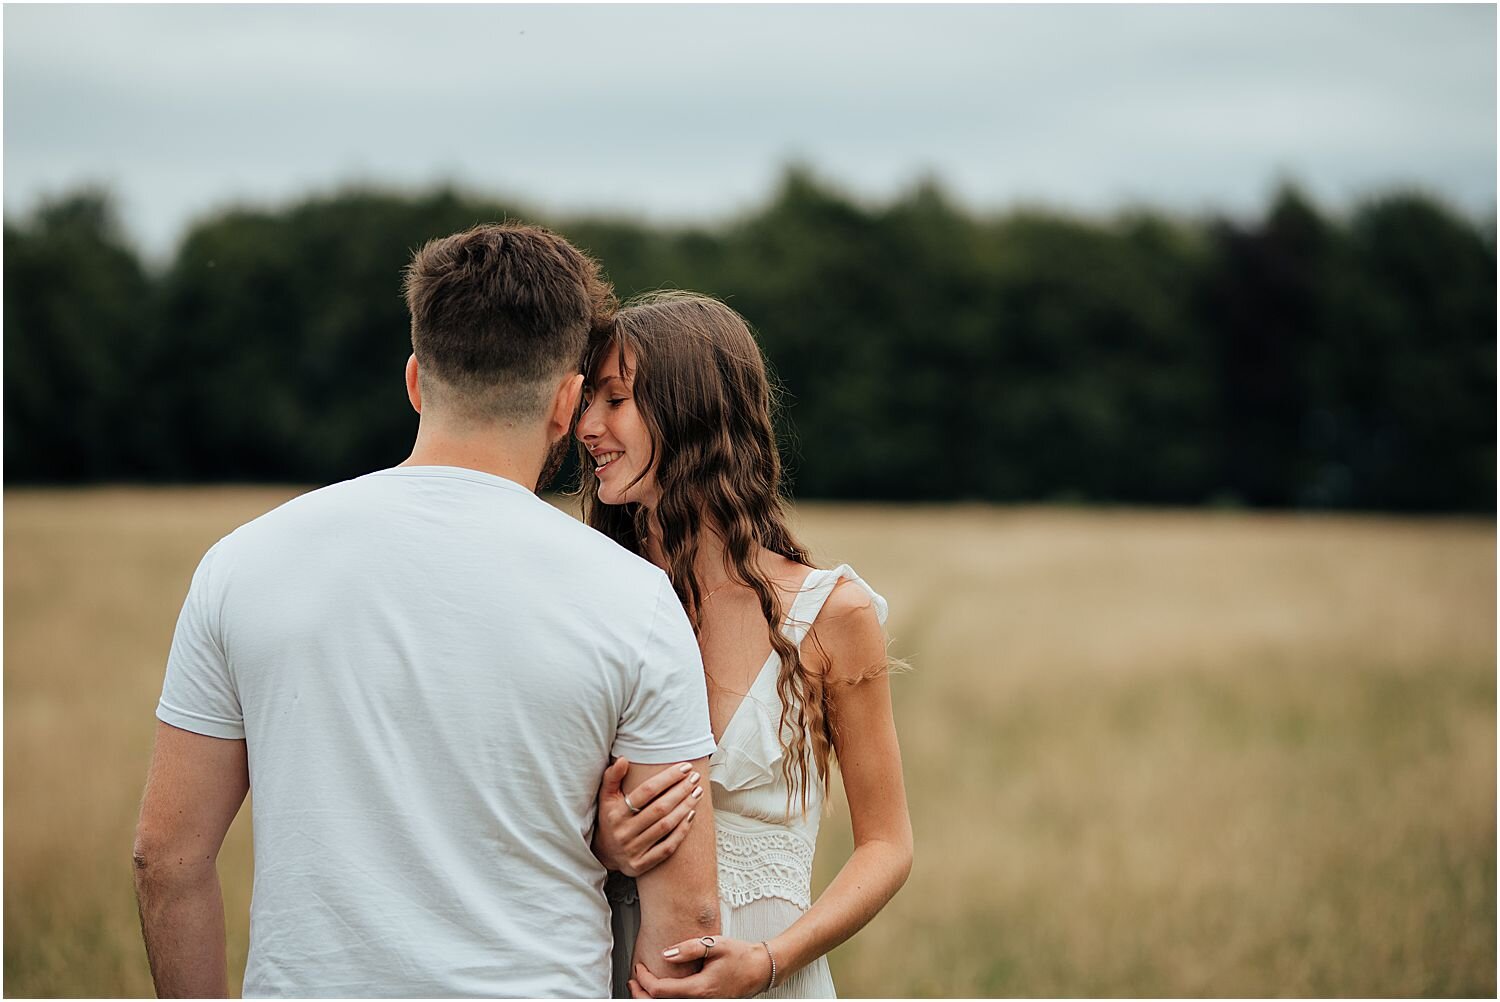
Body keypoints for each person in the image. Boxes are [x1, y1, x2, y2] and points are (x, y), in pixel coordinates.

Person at [132, 224, 723, 998]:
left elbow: (164, 857)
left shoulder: (242, 563)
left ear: (415, 380)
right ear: (566, 401)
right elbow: (687, 925)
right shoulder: (634, 600)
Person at [574, 292, 914, 998]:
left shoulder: (830, 613)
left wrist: (769, 962)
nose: (586, 427)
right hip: (624, 977)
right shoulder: (592, 603)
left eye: (615, 400)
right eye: (586, 403)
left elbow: (887, 846)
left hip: (771, 982)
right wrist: (602, 843)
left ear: (690, 410)